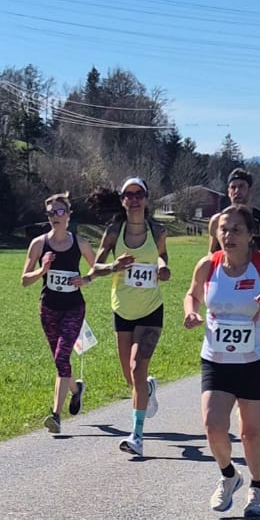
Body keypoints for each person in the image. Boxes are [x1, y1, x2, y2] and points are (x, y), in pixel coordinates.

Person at [184, 204, 260, 514]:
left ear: (251, 234)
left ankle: (257, 486)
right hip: (216, 360)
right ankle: (229, 476)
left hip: (255, 362)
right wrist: (191, 312)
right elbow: (192, 294)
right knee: (213, 426)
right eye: (223, 230)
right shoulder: (207, 265)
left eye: (236, 229)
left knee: (250, 434)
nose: (228, 236)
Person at [88, 176, 171, 459]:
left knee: (137, 368)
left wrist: (163, 268)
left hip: (150, 309)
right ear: (122, 200)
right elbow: (95, 268)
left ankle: (137, 435)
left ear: (146, 199)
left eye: (139, 195)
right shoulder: (114, 231)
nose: (134, 200)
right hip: (122, 310)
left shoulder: (157, 230)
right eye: (129, 195)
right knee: (130, 375)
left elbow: (163, 257)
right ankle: (147, 388)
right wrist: (114, 265)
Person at [20, 192, 96, 435]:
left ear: (69, 215)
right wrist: (42, 270)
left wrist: (86, 279)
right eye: (51, 212)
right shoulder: (38, 244)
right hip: (49, 309)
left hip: (74, 307)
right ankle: (76, 390)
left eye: (60, 211)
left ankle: (56, 416)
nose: (55, 216)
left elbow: (97, 268)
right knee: (59, 360)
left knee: (62, 358)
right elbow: (24, 280)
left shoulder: (80, 243)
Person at [208, 165, 260, 257]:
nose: (237, 191)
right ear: (228, 192)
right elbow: (211, 253)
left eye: (241, 186)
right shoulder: (217, 221)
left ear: (250, 190)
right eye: (233, 187)